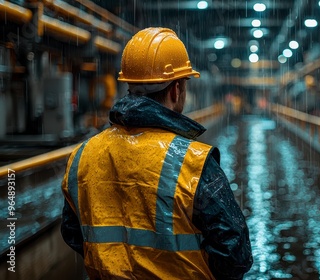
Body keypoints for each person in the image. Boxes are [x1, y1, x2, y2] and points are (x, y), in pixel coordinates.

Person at [60, 27, 253, 279]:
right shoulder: (193, 161)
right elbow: (236, 255)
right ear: (176, 89)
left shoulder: (83, 155)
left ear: (129, 83)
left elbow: (73, 232)